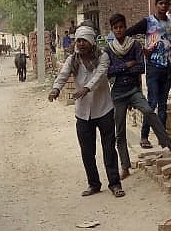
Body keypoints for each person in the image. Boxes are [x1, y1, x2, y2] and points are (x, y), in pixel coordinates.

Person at [48, 26, 124, 197]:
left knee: (109, 149)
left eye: (84, 41)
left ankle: (115, 184)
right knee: (87, 151)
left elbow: (99, 76)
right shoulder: (72, 60)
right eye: (78, 41)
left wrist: (86, 89)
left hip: (104, 109)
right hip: (83, 113)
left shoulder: (103, 57)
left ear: (91, 42)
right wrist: (55, 89)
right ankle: (94, 184)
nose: (80, 44)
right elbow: (63, 75)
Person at [106, 13, 171, 179]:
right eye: (115, 28)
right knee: (120, 132)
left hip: (133, 90)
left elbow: (140, 68)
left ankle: (167, 143)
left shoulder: (135, 45)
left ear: (125, 27)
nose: (119, 30)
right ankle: (125, 166)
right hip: (117, 93)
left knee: (149, 111)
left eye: (121, 27)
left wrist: (121, 68)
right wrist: (126, 65)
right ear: (112, 29)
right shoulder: (108, 49)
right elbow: (108, 71)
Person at [123, 0, 171, 150]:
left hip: (167, 68)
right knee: (152, 103)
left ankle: (163, 140)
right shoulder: (148, 22)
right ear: (156, 4)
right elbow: (128, 34)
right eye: (161, 3)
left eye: (166, 4)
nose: (164, 6)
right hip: (153, 68)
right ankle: (144, 136)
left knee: (162, 105)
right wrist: (142, 50)